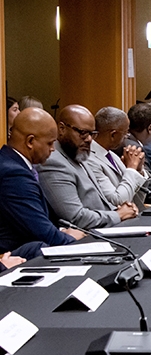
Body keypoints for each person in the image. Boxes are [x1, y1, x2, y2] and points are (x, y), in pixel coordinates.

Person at [0, 107, 84, 258]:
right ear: (30, 141)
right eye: (50, 143)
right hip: (17, 258)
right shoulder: (13, 174)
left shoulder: (12, 163)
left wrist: (61, 231)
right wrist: (78, 242)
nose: (53, 149)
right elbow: (40, 231)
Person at [39, 105, 137, 229]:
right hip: (90, 234)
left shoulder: (80, 154)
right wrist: (118, 214)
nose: (89, 139)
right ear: (62, 129)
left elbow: (101, 202)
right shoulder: (53, 162)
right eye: (83, 133)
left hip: (107, 226)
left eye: (92, 133)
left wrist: (124, 210)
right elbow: (76, 217)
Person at [84, 106, 149, 208]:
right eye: (125, 133)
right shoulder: (90, 160)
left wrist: (138, 171)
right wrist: (131, 169)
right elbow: (117, 201)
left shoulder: (112, 155)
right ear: (113, 135)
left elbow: (136, 200)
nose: (126, 138)